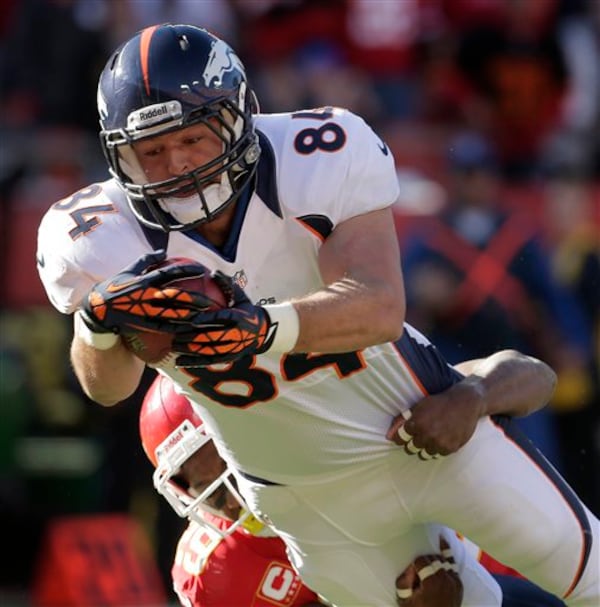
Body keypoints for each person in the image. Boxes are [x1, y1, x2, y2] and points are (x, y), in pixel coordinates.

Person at [36, 23, 599, 606]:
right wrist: (96, 327)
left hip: (419, 436)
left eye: (194, 139)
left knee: (592, 577)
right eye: (150, 152)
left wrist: (260, 328)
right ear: (118, 156)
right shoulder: (95, 232)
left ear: (239, 118)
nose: (177, 166)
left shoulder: (318, 151)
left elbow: (379, 305)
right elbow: (107, 390)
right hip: (305, 506)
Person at [140, 350, 565, 607]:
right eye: (210, 494)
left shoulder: (359, 422)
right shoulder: (220, 571)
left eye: (233, 478)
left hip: (524, 579)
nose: (234, 505)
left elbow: (536, 376)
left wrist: (472, 397)